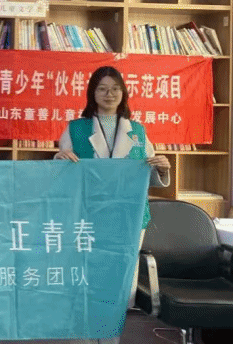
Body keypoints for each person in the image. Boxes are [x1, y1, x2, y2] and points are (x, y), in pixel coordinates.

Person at [54, 65, 170, 344]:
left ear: (123, 93)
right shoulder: (76, 129)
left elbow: (147, 175)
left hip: (127, 218)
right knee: (86, 278)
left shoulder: (137, 131)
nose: (109, 94)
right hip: (88, 216)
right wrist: (58, 161)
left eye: (115, 89)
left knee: (117, 283)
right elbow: (62, 176)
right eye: (103, 89)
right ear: (92, 93)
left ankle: (110, 339)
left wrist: (162, 168)